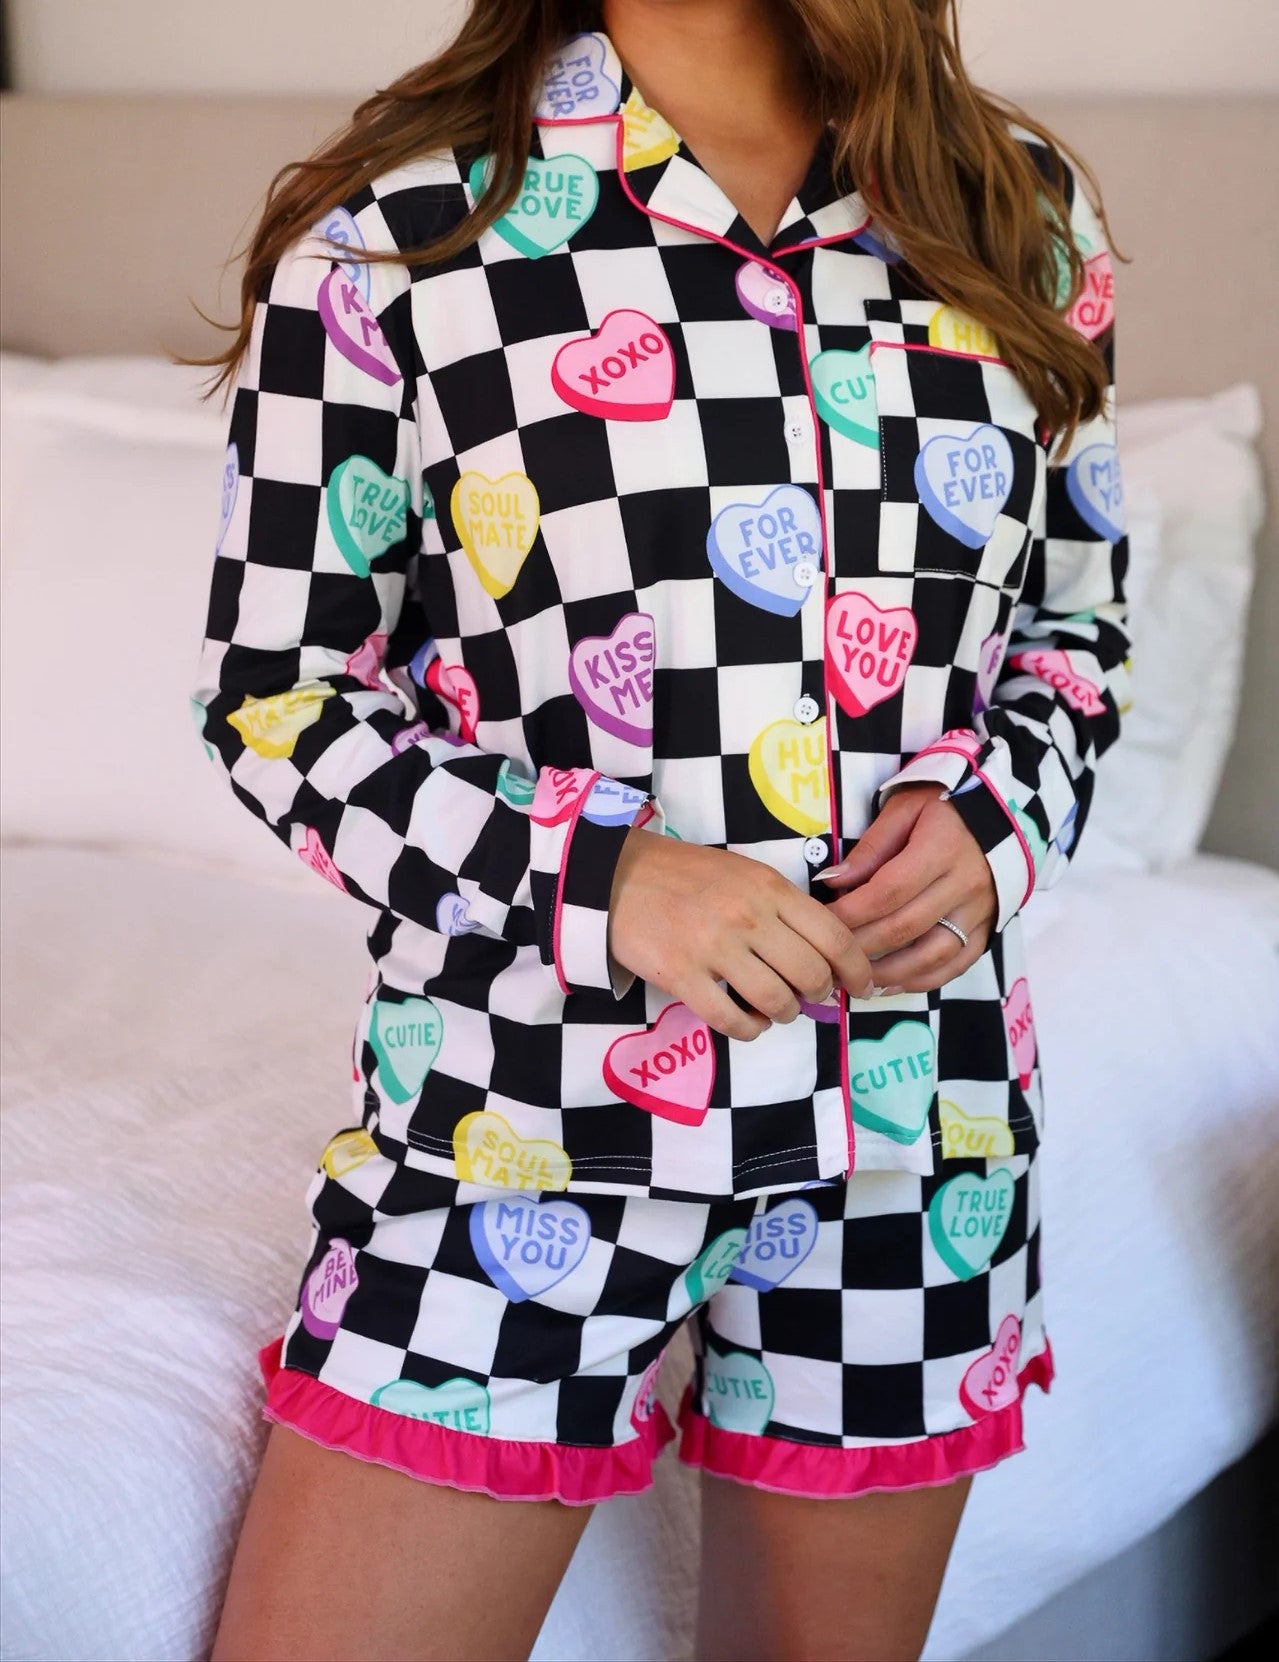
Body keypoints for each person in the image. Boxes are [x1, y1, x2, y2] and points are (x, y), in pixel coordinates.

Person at [186, 1, 1131, 1656]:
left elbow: (1074, 636)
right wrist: (603, 876)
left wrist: (991, 825)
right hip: (525, 1117)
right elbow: (276, 694)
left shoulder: (1015, 210)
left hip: (917, 1129)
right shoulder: (404, 227)